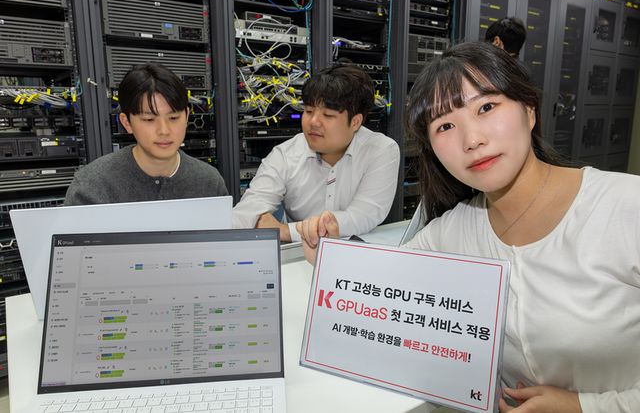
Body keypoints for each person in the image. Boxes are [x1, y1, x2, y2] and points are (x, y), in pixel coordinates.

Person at [298, 42, 640, 413]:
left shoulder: (626, 206)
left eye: (486, 107)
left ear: (529, 110)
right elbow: (383, 283)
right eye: (445, 125)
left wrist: (586, 406)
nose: (472, 140)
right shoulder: (454, 229)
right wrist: (329, 253)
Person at [232, 62, 400, 242]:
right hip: (299, 253)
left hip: (356, 249)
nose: (313, 122)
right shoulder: (285, 155)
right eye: (308, 111)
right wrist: (253, 218)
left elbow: (364, 215)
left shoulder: (381, 150)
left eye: (328, 115)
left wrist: (286, 231)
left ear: (355, 122)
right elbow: (248, 211)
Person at [65, 63, 227, 205]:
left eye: (173, 118)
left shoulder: (210, 182)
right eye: (149, 119)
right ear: (127, 123)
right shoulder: (92, 186)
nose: (164, 130)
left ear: (186, 117)